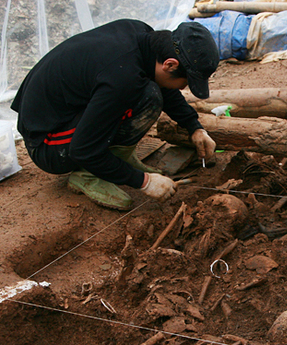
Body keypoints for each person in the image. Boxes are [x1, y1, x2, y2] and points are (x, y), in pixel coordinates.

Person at [11, 19, 219, 210]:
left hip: (67, 111)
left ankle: (119, 159)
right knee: (142, 95)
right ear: (170, 64)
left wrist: (194, 127)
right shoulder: (121, 79)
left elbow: (165, 86)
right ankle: (87, 174)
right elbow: (82, 149)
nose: (183, 88)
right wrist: (144, 182)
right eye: (185, 83)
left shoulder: (142, 35)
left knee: (150, 94)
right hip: (47, 142)